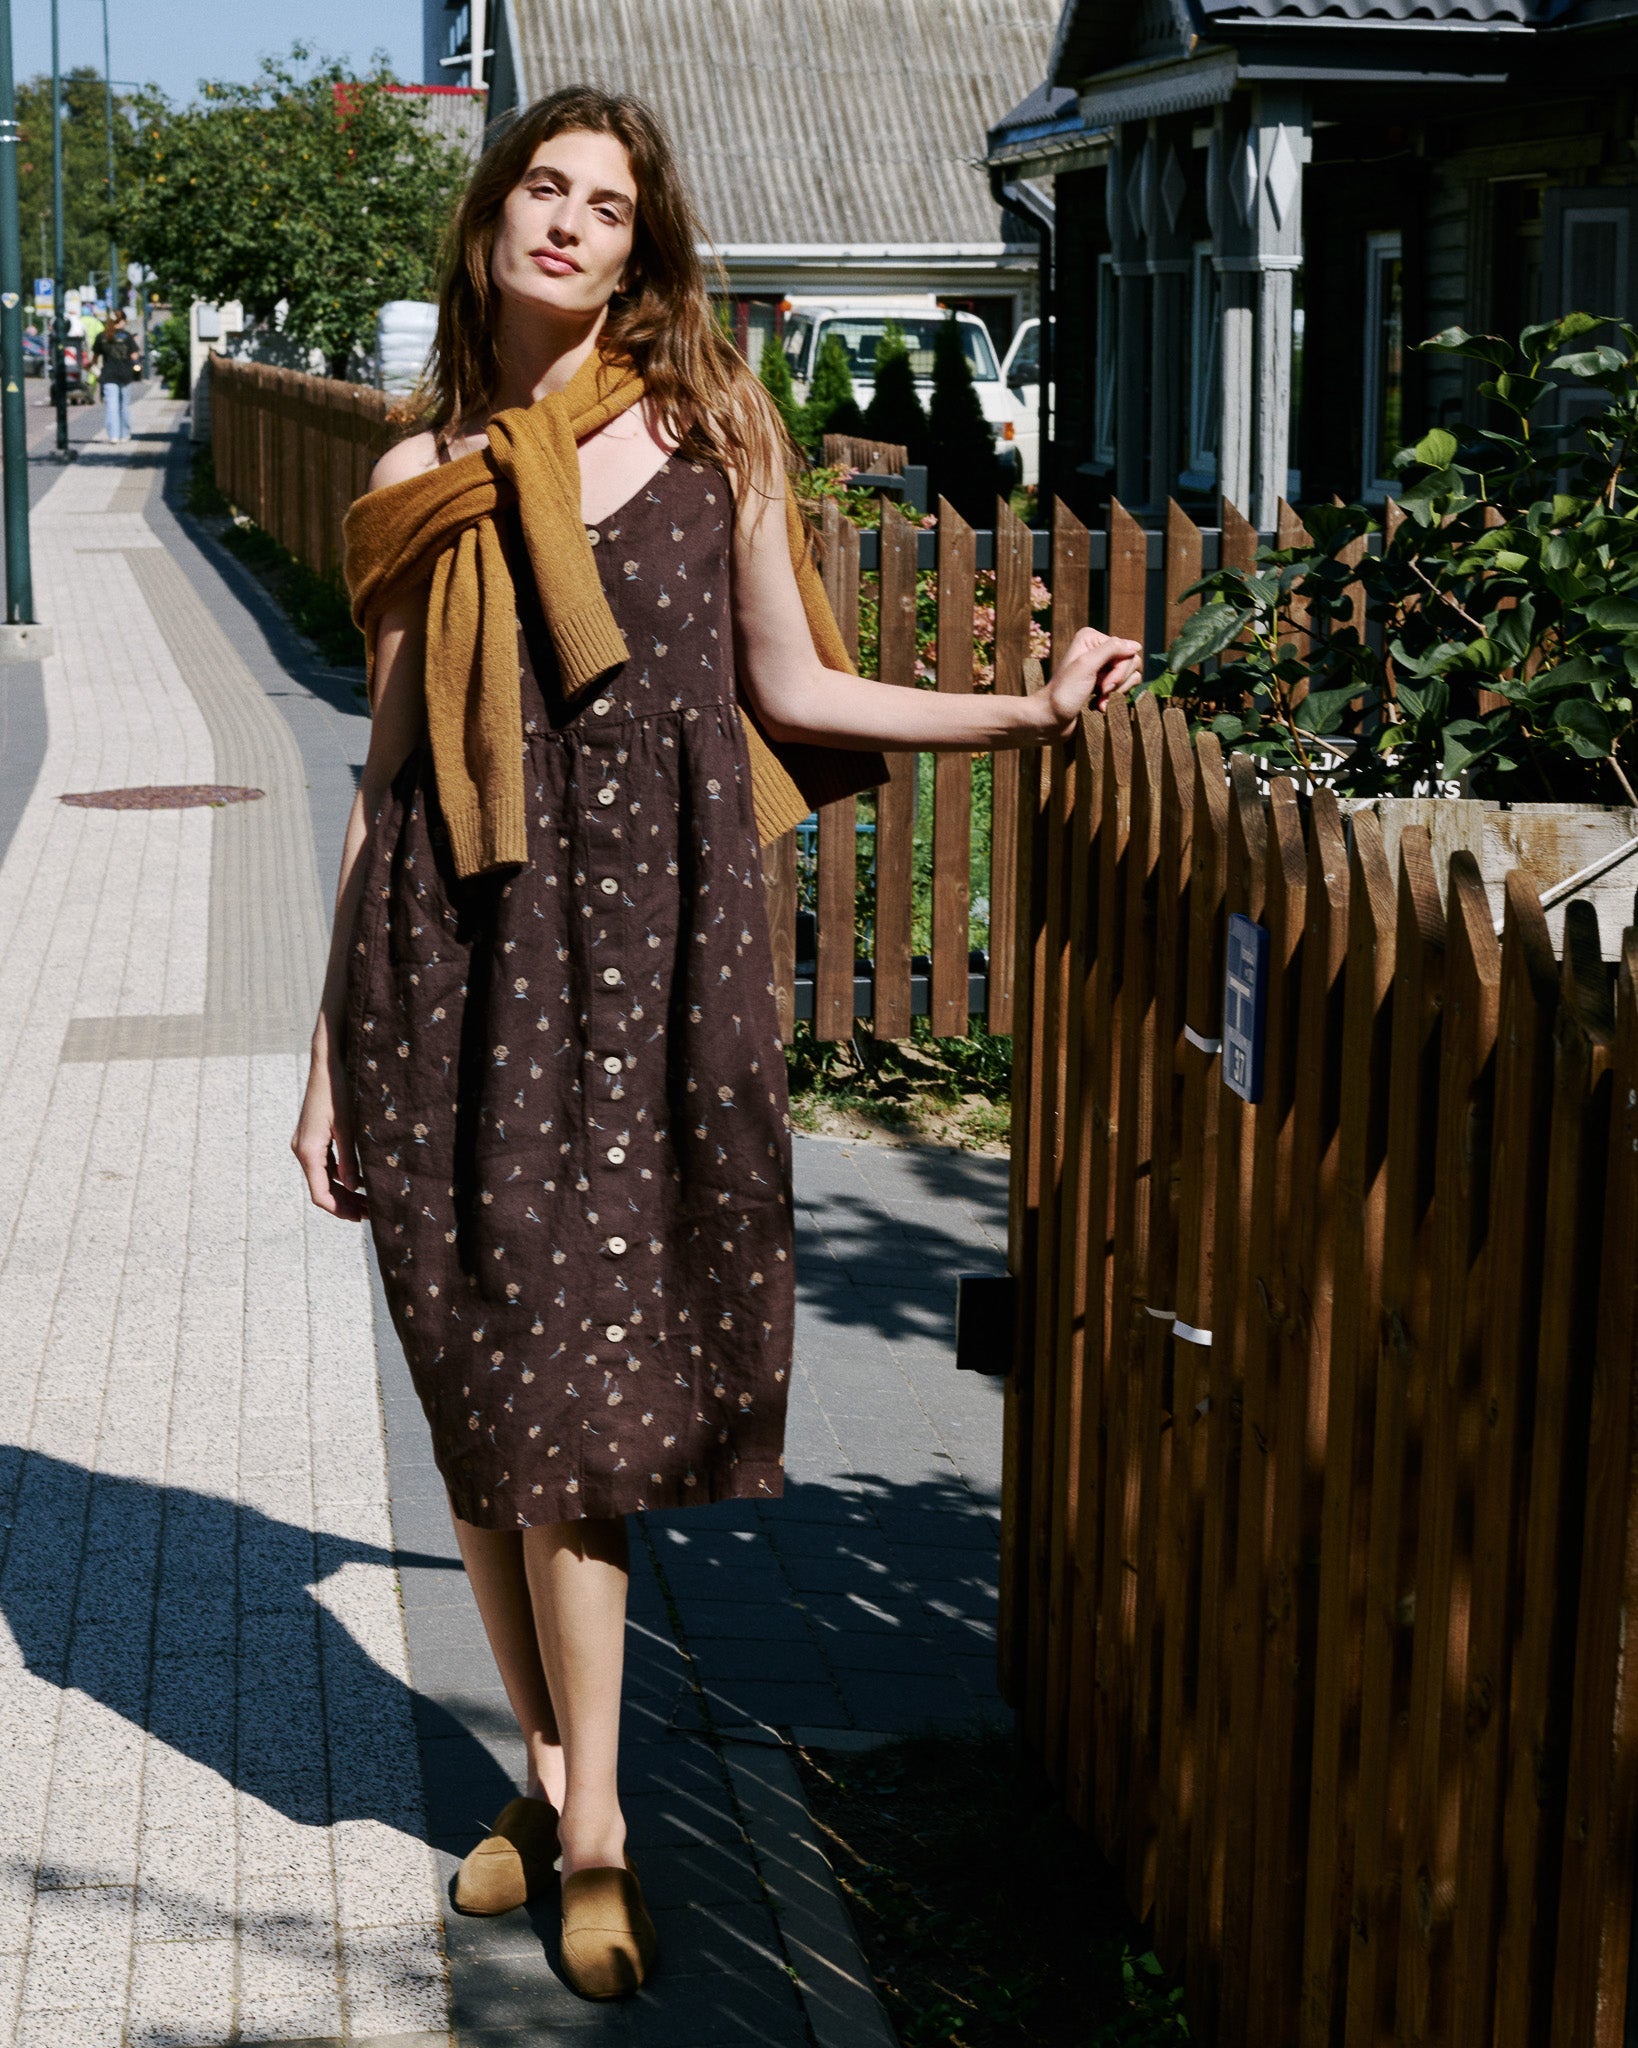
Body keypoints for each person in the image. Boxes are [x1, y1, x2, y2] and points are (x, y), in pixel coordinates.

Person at [292, 86, 1141, 2004]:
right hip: (442, 972)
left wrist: (1021, 714)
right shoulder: (419, 473)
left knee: (571, 1410)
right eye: (542, 188)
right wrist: (326, 1053)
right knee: (479, 1398)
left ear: (641, 248)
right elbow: (386, 772)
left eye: (607, 204)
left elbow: (795, 683)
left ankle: (595, 1827)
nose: (569, 222)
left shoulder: (707, 429)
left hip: (633, 980)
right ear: (491, 221)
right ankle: (547, 1777)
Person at [92, 308, 138, 440]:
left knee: (111, 407)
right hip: (125, 374)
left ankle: (113, 436)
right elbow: (134, 356)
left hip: (108, 374)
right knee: (124, 406)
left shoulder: (102, 336)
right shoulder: (127, 336)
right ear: (122, 321)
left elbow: (95, 358)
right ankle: (124, 434)